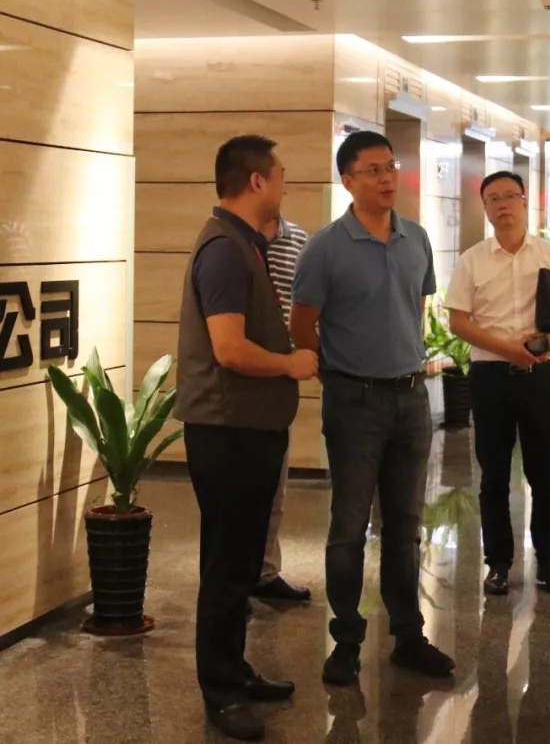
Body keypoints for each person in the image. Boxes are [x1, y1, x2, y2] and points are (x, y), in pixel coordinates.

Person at [290, 130, 456, 686]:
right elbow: (301, 326)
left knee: (406, 525)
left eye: (391, 167)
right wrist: (338, 374)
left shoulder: (417, 239)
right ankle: (345, 642)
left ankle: (408, 637)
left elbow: (414, 308)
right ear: (348, 180)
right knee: (348, 525)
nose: (387, 178)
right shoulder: (325, 248)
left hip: (411, 398)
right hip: (354, 403)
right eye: (373, 170)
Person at [175, 134, 319, 741]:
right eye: (280, 174)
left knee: (238, 561)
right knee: (228, 565)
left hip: (249, 428)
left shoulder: (245, 244)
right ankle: (221, 692)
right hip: (228, 431)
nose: (285, 184)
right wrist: (291, 363)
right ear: (256, 181)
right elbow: (229, 349)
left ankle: (234, 669)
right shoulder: (225, 252)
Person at [444, 171, 550, 596]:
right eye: (494, 198)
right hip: (490, 377)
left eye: (510, 196)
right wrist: (506, 349)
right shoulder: (472, 260)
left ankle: (549, 562)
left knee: (546, 474)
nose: (503, 204)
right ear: (485, 208)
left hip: (538, 375)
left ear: (525, 202)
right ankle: (498, 564)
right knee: (493, 475)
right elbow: (458, 322)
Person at [250, 215, 312, 602]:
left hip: (282, 375)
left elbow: (302, 304)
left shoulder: (298, 239)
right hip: (240, 374)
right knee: (240, 489)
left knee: (276, 486)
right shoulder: (233, 239)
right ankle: (233, 581)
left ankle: (265, 571)